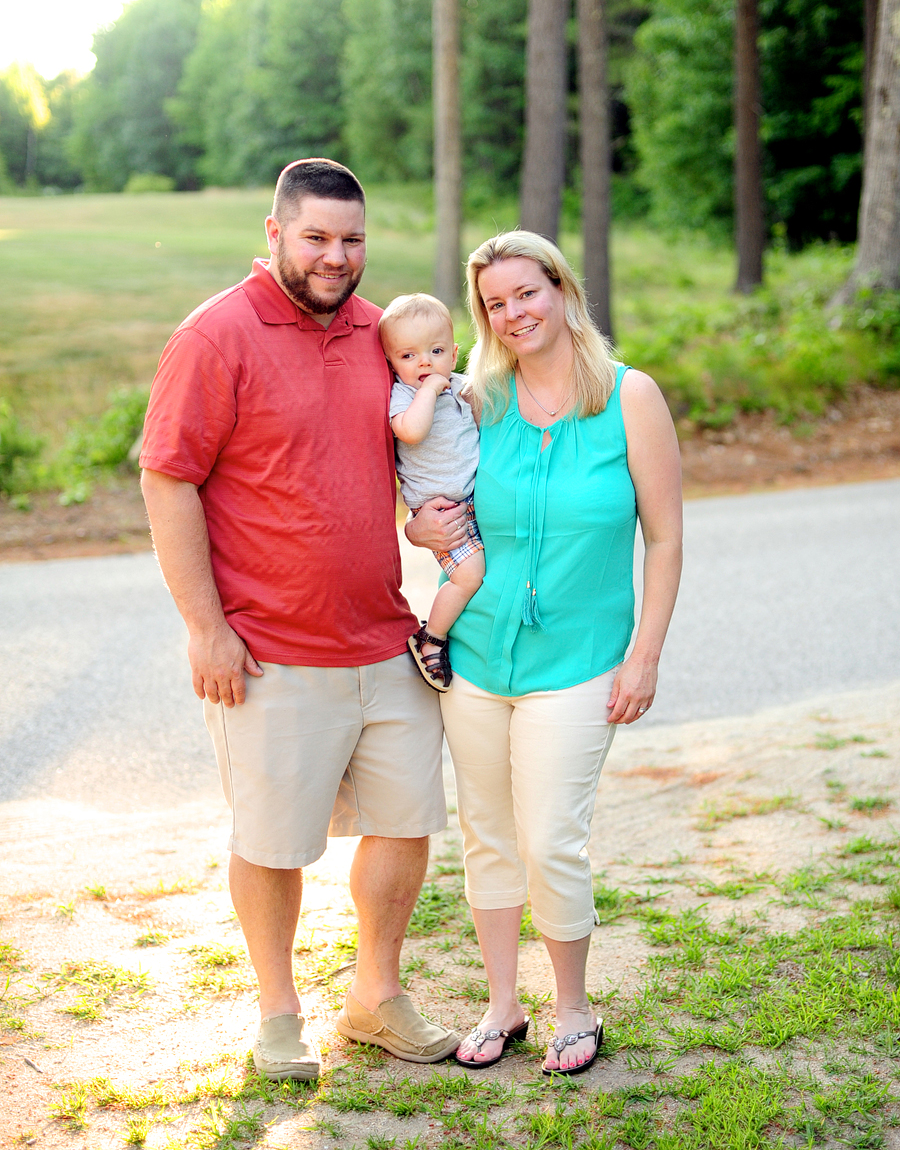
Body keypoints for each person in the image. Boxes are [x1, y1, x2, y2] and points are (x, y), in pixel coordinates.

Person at [139, 159, 460, 1082]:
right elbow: (169, 479)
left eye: (352, 239)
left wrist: (427, 518)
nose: (336, 256)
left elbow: (406, 449)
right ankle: (279, 1014)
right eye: (317, 236)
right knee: (271, 840)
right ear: (275, 231)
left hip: (384, 637)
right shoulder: (215, 336)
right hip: (268, 648)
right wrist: (206, 628)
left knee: (406, 824)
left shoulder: (381, 334)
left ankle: (375, 997)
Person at [406, 231, 683, 1076]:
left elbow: (665, 540)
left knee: (551, 837)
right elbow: (428, 497)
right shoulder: (474, 399)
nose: (513, 313)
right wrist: (417, 529)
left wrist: (644, 656)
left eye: (527, 293)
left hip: (582, 660)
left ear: (561, 290)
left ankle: (574, 1006)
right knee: (486, 836)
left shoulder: (631, 398)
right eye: (494, 303)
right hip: (477, 660)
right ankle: (502, 1005)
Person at [379, 293, 484, 692]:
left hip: (475, 500)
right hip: (442, 512)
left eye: (436, 351)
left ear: (454, 352)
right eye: (408, 356)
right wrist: (430, 389)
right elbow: (412, 431)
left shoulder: (461, 387)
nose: (424, 362)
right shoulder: (403, 396)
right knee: (469, 576)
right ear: (392, 364)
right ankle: (431, 637)